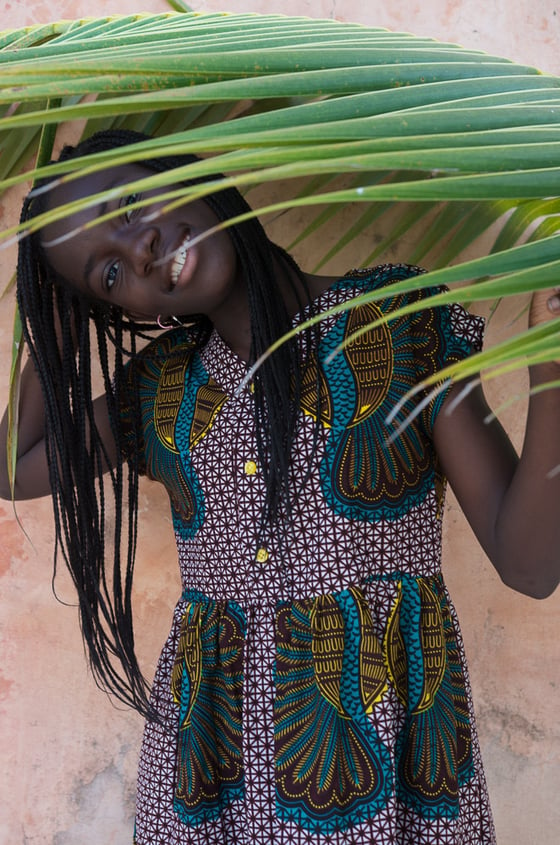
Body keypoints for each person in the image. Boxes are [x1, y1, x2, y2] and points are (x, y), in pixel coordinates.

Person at [1, 128, 559, 845]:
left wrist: (549, 367)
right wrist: (54, 323)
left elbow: (531, 565)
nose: (137, 249)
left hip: (386, 777)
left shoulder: (399, 322)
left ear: (190, 172)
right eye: (108, 276)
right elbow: (16, 464)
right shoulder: (161, 392)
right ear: (124, 313)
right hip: (209, 783)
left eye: (132, 201)